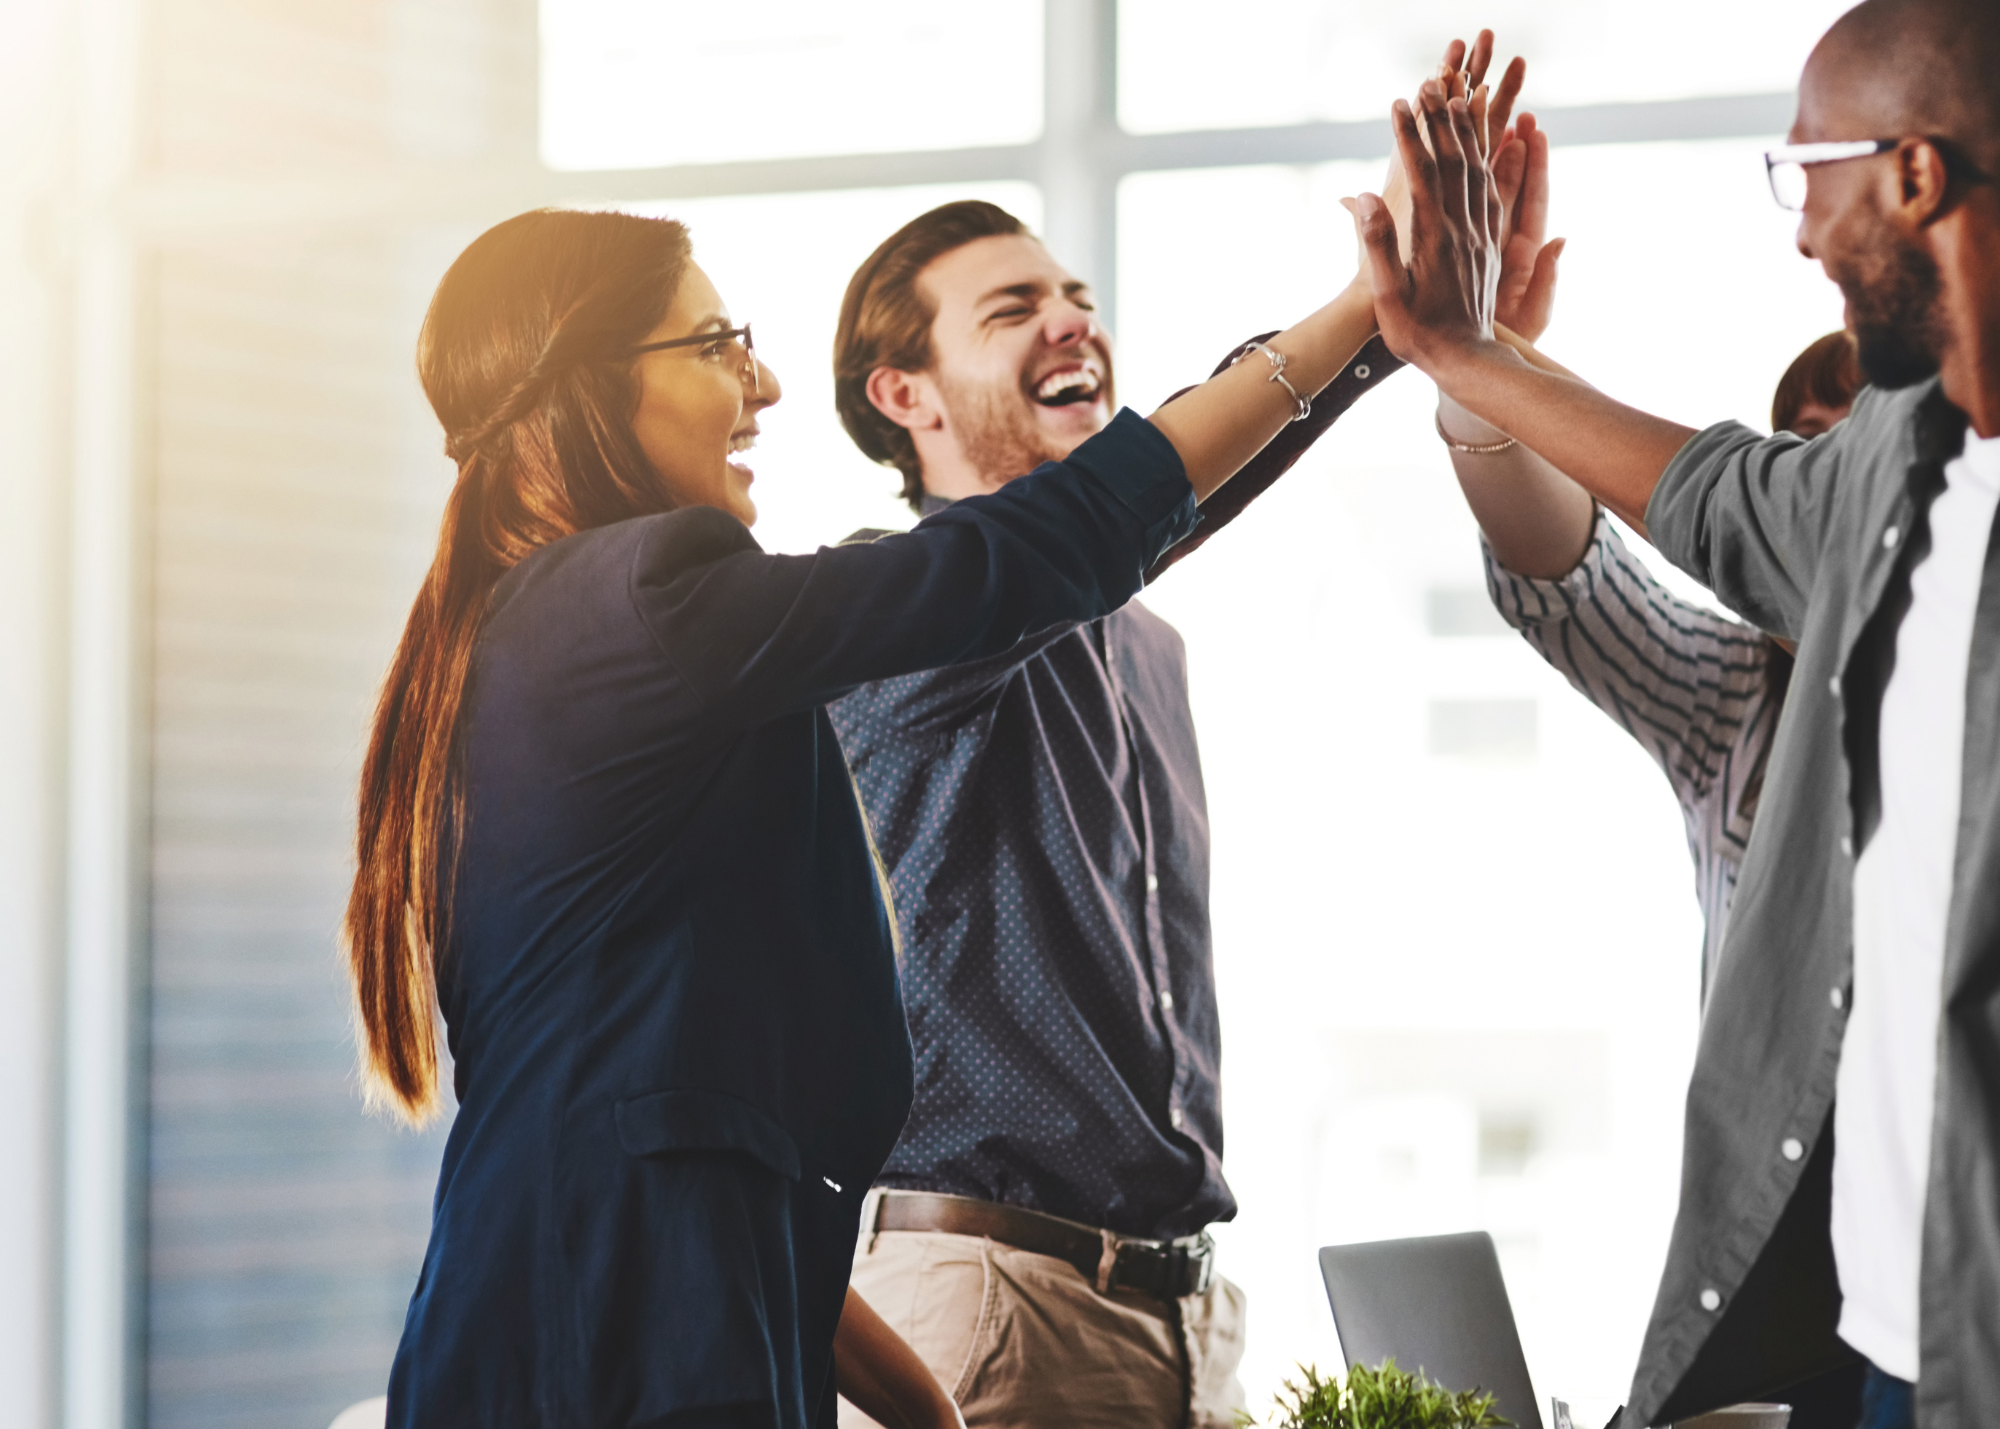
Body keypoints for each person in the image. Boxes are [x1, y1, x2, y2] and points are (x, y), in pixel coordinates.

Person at [342, 206, 1386, 1429]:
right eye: (715, 344)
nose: (762, 381)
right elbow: (1024, 554)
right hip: (616, 1330)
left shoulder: (560, 642)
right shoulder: (633, 603)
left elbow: (689, 1111)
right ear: (585, 380)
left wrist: (920, 1404)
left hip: (649, 1305)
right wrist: (1363, 321)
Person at [820, 41, 1529, 1429]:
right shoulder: (887, 621)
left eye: (1080, 296)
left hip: (1180, 1313)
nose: (1071, 322)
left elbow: (1145, 522)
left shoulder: (1146, 644)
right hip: (987, 1302)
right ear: (902, 394)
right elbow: (1149, 499)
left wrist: (1420, 335)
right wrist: (1372, 323)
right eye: (1012, 307)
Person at [1356, 1, 2000, 1423]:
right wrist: (1469, 354)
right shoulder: (1896, 470)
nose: (1801, 232)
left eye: (1807, 171)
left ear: (1912, 175)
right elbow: (1702, 490)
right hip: (1877, 1332)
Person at [1453, 329, 1862, 1006]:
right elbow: (1567, 587)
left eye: (1867, 436)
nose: (1830, 473)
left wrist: (1478, 355)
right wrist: (1478, 359)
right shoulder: (1737, 697)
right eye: (1806, 445)